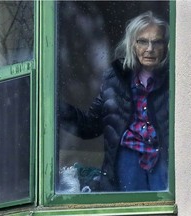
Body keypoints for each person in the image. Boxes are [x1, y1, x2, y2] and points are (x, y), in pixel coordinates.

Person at [60, 11, 169, 192]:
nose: (150, 48)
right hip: (128, 158)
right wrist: (55, 108)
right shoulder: (115, 79)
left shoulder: (173, 79)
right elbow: (90, 125)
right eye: (142, 41)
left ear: (165, 47)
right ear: (132, 45)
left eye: (157, 42)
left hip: (163, 159)